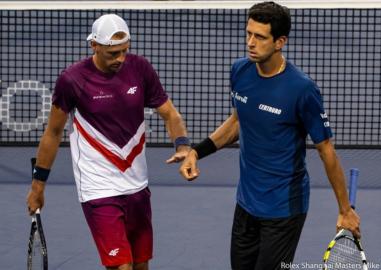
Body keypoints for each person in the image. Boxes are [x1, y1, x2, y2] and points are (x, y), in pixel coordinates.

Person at [179, 2, 361, 270]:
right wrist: (196, 151)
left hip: (283, 210)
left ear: (280, 42)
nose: (251, 43)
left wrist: (345, 209)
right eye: (249, 33)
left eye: (260, 37)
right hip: (246, 203)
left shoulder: (302, 89)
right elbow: (237, 121)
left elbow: (326, 151)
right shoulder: (240, 71)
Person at [26, 14, 190, 270]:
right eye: (113, 53)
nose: (120, 58)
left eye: (125, 51)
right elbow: (53, 133)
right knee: (121, 266)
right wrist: (38, 186)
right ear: (94, 46)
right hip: (98, 187)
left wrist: (182, 145)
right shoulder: (72, 79)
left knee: (140, 265)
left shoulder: (140, 68)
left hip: (137, 184)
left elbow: (170, 114)